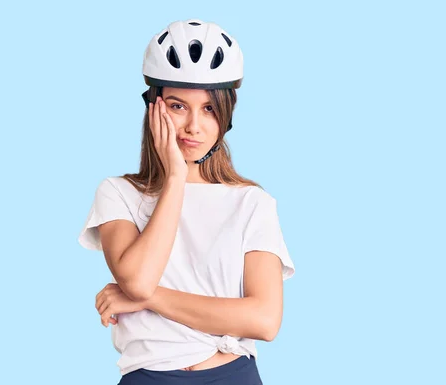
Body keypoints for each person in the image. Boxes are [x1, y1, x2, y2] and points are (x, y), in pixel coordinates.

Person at [77, 19, 295, 385]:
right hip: (147, 376)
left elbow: (264, 321)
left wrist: (148, 300)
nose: (194, 126)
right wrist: (175, 177)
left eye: (209, 109)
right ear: (154, 108)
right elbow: (136, 280)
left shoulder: (252, 203)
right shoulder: (118, 194)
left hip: (233, 374)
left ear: (225, 116)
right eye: (178, 106)